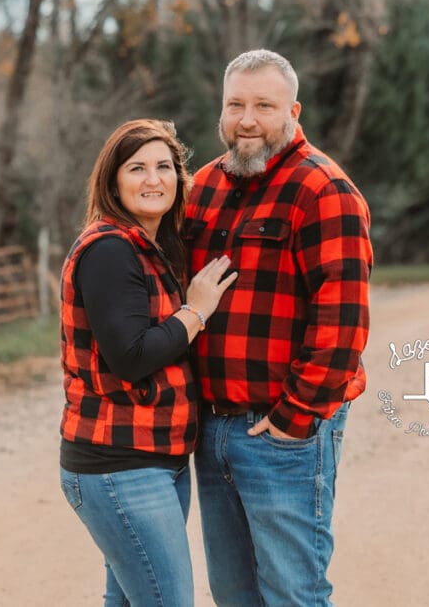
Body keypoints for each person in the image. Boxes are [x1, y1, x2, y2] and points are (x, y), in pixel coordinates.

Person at [184, 50, 373, 606]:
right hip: (213, 427)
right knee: (233, 593)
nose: (247, 120)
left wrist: (296, 416)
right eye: (235, 105)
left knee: (293, 592)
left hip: (283, 431)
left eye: (263, 106)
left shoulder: (323, 189)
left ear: (293, 110)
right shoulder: (203, 187)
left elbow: (343, 322)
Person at [59, 119, 237, 607]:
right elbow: (130, 359)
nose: (153, 179)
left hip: (156, 461)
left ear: (180, 178)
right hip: (118, 466)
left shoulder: (151, 247)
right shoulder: (111, 250)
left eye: (164, 166)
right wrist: (196, 311)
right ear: (113, 181)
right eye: (137, 168)